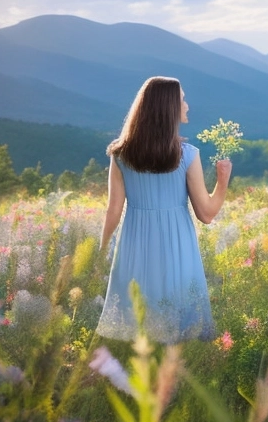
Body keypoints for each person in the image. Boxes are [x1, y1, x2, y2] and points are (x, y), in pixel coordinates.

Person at [95, 76, 232, 344]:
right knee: (181, 328)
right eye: (182, 99)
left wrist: (101, 251)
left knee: (134, 327)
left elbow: (113, 209)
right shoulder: (188, 155)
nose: (187, 105)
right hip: (177, 243)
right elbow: (207, 214)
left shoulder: (121, 154)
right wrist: (223, 180)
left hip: (134, 243)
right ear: (168, 107)